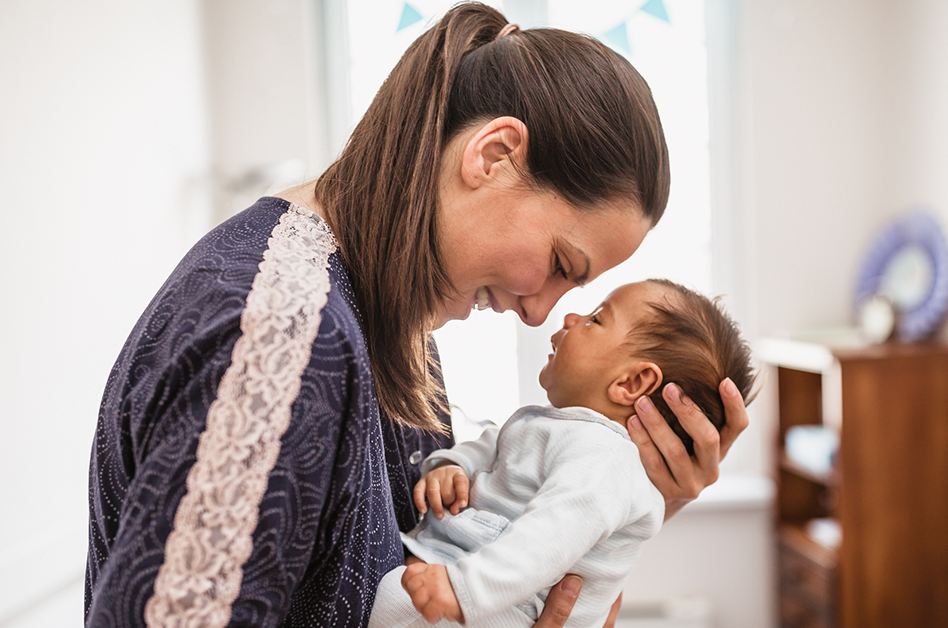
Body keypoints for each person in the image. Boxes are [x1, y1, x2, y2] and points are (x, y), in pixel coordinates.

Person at [84, 4, 749, 628]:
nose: (540, 312)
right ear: (492, 157)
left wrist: (633, 505)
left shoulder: (390, 316)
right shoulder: (285, 334)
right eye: (558, 261)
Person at [368, 280, 756, 628]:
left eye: (596, 319)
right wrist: (453, 465)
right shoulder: (555, 425)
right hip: (477, 584)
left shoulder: (607, 458)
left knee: (391, 604)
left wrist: (464, 590)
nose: (572, 315)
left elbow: (547, 540)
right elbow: (491, 446)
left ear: (631, 382)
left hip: (508, 606)